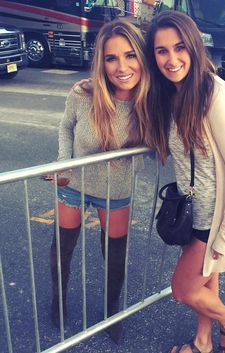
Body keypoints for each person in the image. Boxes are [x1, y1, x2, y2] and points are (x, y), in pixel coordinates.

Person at [49, 18, 150, 344]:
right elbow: (66, 128)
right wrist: (64, 162)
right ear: (101, 61)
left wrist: (135, 157)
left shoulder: (149, 102)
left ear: (141, 57)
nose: (122, 66)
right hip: (75, 184)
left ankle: (111, 312)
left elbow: (163, 144)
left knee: (115, 256)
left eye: (130, 55)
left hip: (116, 190)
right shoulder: (83, 93)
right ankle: (58, 301)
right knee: (62, 249)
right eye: (111, 58)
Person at [145, 10, 225, 353]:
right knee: (207, 279)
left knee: (183, 289)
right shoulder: (167, 95)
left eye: (179, 47)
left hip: (212, 217)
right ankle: (204, 341)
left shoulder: (212, 90)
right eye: (162, 50)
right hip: (189, 210)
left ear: (194, 47)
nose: (171, 59)